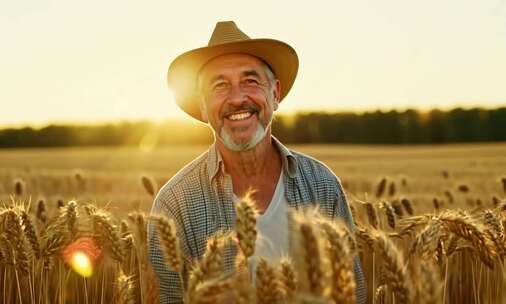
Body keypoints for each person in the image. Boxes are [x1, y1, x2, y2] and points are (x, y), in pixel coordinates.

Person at [148, 21, 366, 304]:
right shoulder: (175, 204)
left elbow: (353, 292)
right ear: (203, 106)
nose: (237, 98)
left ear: (275, 94)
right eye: (220, 85)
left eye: (250, 81)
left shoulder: (322, 185)